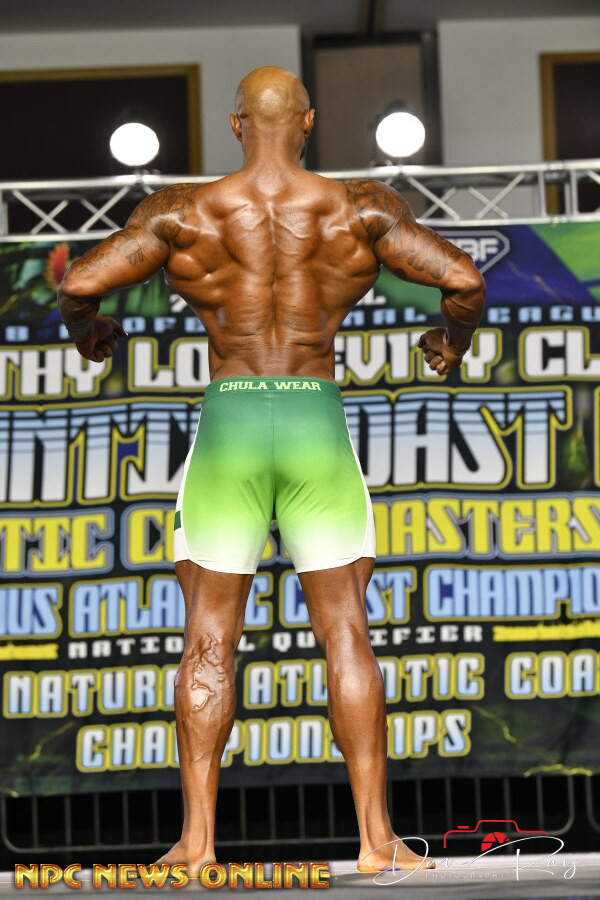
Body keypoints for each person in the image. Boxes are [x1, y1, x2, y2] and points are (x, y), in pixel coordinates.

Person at [58, 65, 486, 875]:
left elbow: (80, 284)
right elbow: (464, 280)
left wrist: (90, 336)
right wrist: (449, 343)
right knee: (346, 630)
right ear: (309, 121)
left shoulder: (182, 212)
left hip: (231, 424)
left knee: (208, 636)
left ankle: (197, 844)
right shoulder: (360, 208)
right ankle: (376, 842)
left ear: (235, 125)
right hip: (314, 419)